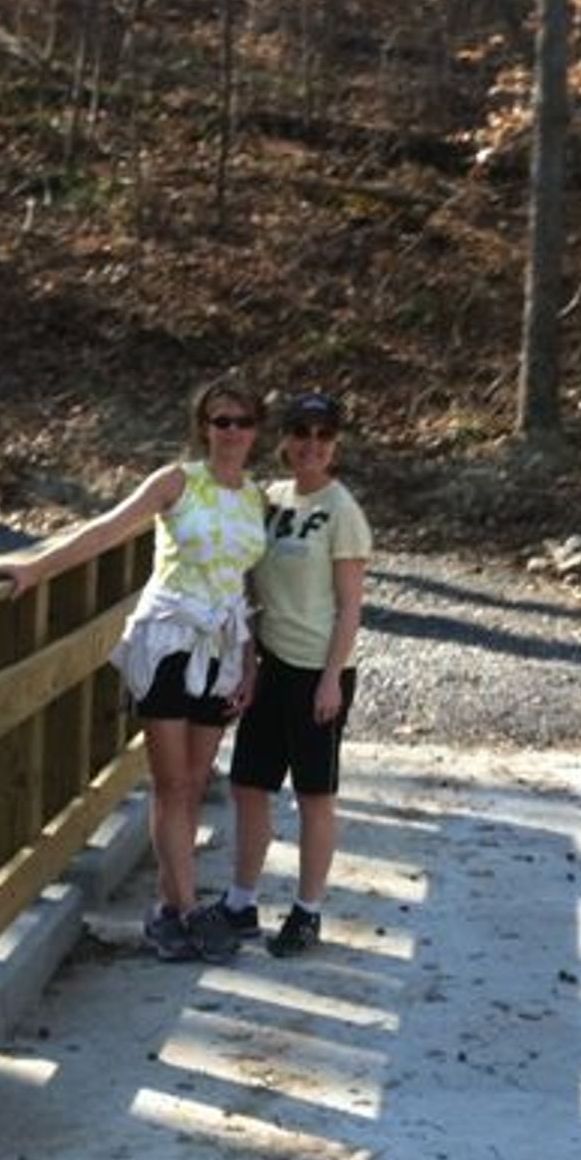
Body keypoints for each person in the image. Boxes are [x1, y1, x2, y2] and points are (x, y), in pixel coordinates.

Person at [0, 376, 267, 964]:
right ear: (203, 428)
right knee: (172, 783)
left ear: (256, 430)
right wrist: (36, 569)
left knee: (194, 780)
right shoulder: (178, 482)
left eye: (241, 421)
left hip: (223, 649)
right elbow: (107, 529)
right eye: (219, 420)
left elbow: (246, 578)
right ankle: (185, 912)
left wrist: (251, 657)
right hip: (167, 643)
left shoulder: (256, 498)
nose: (230, 432)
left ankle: (168, 909)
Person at [215, 390, 371, 957]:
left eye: (323, 436)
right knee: (248, 785)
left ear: (335, 445)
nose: (311, 445)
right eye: (300, 433)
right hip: (272, 666)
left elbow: (351, 605)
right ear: (283, 440)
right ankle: (240, 902)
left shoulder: (343, 511)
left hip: (317, 673)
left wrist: (332, 678)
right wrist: (248, 661)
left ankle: (307, 912)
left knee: (313, 795)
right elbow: (250, 584)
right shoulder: (271, 500)